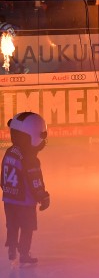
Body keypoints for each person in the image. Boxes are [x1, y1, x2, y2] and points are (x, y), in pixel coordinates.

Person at [1, 112, 51, 265]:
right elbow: (35, 181)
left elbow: (3, 175)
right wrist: (43, 196)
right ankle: (23, 254)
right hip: (25, 202)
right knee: (27, 227)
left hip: (9, 200)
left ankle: (11, 249)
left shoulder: (9, 152)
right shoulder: (30, 159)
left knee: (13, 225)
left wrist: (6, 189)